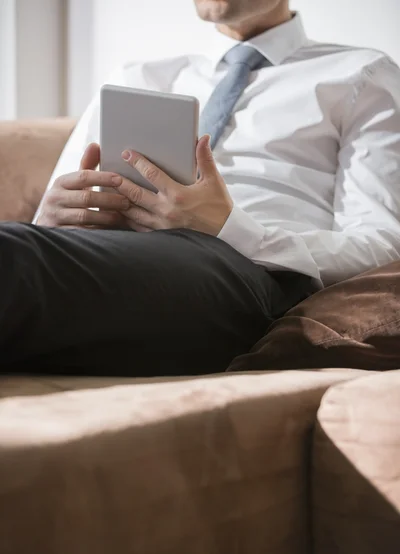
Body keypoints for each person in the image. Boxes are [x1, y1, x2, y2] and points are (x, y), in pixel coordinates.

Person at [1, 0, 400, 376]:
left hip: (249, 274)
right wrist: (50, 217)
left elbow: (382, 245)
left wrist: (233, 229)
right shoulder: (137, 77)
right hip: (112, 255)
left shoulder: (361, 75)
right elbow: (54, 223)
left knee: (16, 257)